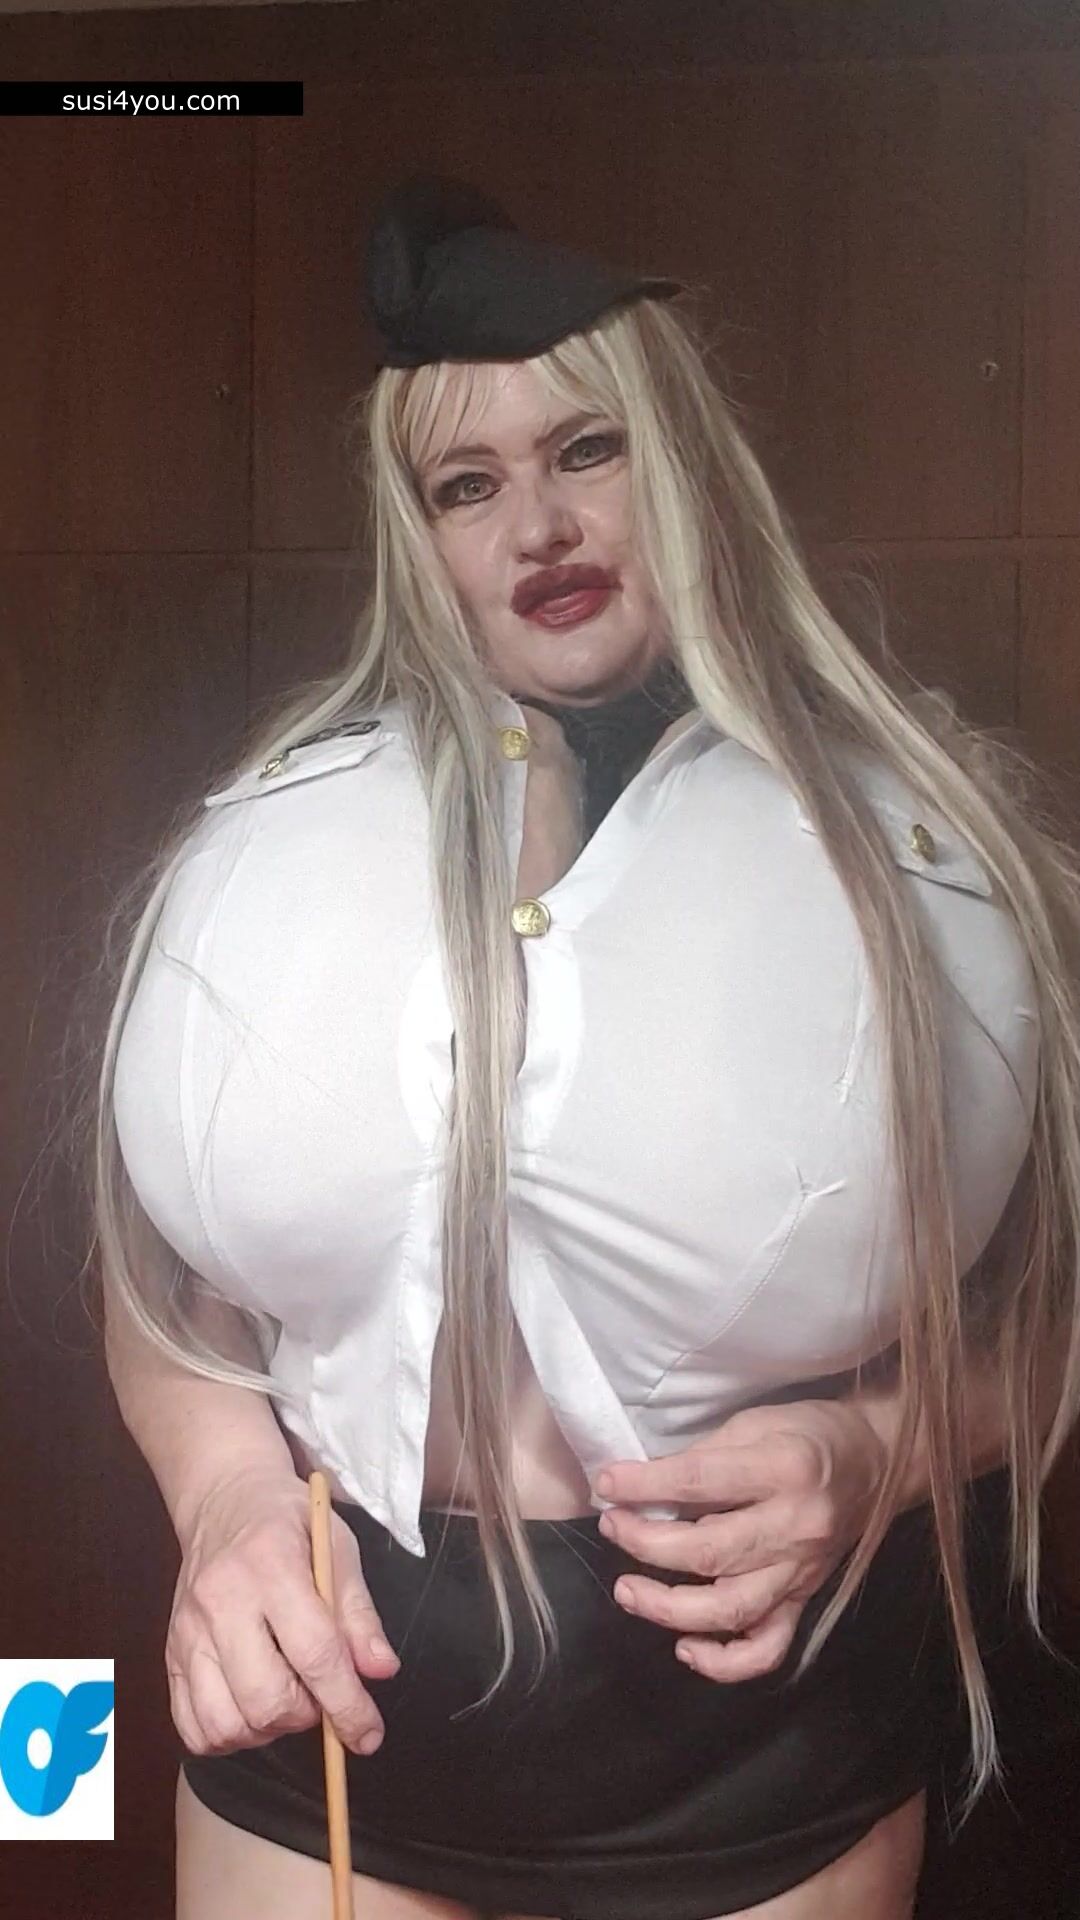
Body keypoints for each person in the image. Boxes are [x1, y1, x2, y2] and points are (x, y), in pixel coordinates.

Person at [89, 174, 1080, 1920]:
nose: (537, 526)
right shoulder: (283, 850)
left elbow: (1051, 1311)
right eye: (467, 486)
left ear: (684, 462)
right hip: (337, 1687)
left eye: (588, 451)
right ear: (418, 535)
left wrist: (876, 1455)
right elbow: (164, 1273)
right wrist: (228, 1493)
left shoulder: (918, 852)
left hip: (756, 1733)